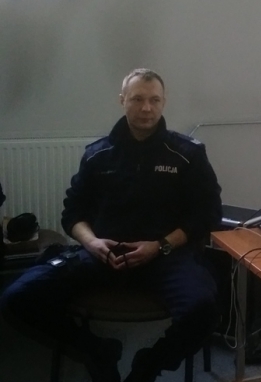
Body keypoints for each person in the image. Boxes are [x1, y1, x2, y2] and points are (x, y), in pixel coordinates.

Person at [0, 69, 223, 382]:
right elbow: (73, 213)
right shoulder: (97, 154)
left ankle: (147, 367)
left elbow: (208, 213)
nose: (146, 108)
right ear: (122, 101)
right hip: (103, 254)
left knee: (204, 309)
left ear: (164, 102)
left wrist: (159, 246)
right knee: (17, 298)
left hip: (165, 255)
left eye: (154, 100)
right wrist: (92, 242)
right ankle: (96, 350)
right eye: (137, 99)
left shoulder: (188, 154)